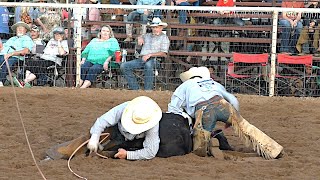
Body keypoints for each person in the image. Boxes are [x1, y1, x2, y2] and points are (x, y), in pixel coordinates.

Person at [167, 66, 284, 159]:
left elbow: (173, 108)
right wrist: (234, 115)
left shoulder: (184, 86)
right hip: (223, 104)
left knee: (200, 146)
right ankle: (274, 149)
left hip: (203, 110)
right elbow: (233, 99)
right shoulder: (213, 83)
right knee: (245, 127)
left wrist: (185, 118)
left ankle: (210, 148)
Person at [120, 17, 170, 90]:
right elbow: (139, 37)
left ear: (161, 28)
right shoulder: (147, 35)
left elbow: (164, 53)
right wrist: (139, 38)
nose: (155, 29)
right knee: (124, 66)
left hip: (155, 60)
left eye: (156, 27)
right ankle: (136, 89)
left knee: (148, 65)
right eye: (153, 27)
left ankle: (148, 90)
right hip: (142, 59)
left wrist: (150, 55)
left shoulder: (164, 38)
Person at [0, 21, 34, 87]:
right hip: (3, 54)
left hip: (16, 57)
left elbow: (26, 51)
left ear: (25, 30)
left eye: (22, 28)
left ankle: (1, 81)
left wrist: (11, 53)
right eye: (18, 28)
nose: (19, 30)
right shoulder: (11, 39)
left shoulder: (27, 39)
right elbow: (3, 48)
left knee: (6, 63)